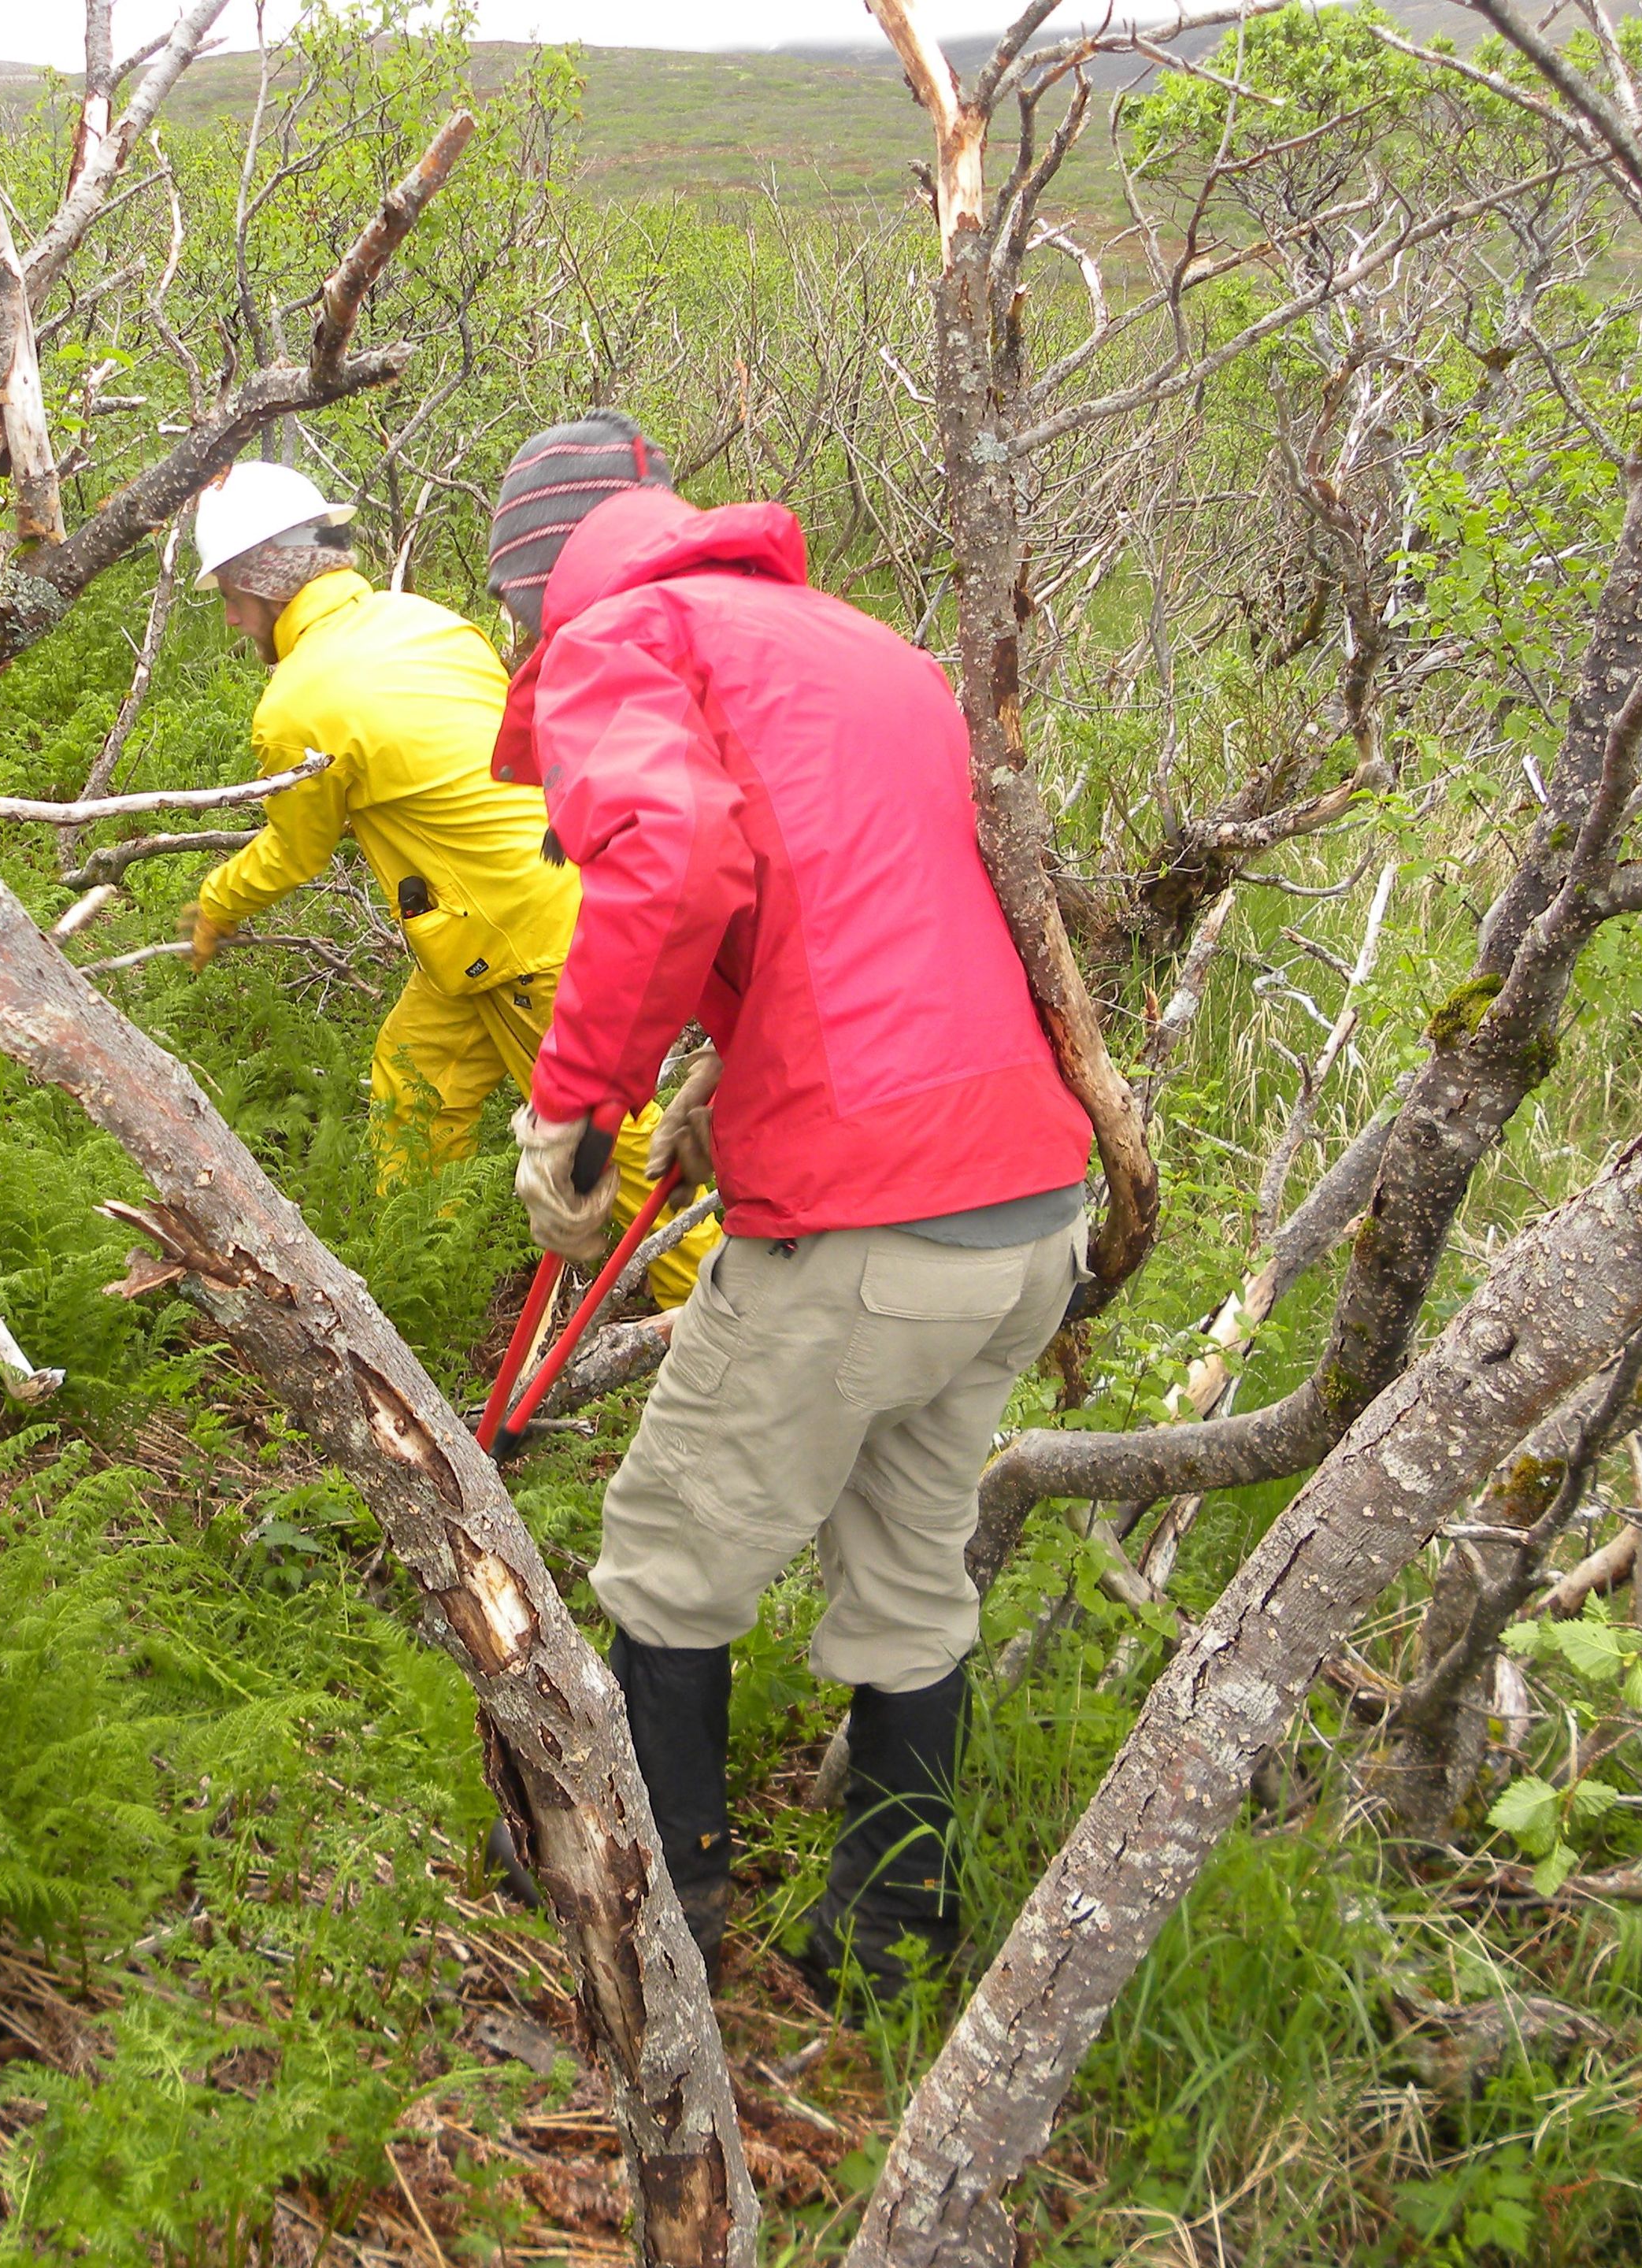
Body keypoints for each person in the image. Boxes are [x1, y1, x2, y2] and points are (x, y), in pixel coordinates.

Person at [484, 410, 1095, 2003]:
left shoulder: (621, 633)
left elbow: (674, 861)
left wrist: (580, 1101)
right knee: (909, 1572)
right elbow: (874, 905)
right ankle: (889, 1936)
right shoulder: (854, 640)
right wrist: (722, 1087)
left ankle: (658, 1912)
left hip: (865, 1211)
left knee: (669, 1558)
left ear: (538, 583)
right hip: (1029, 1198)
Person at [176, 459, 710, 1306]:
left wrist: (215, 906)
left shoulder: (296, 704)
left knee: (611, 1151)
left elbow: (294, 851)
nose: (234, 618)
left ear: (265, 583)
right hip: (544, 909)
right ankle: (425, 1280)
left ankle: (721, 1315)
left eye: (232, 597)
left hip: (517, 946)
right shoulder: (422, 620)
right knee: (413, 1077)